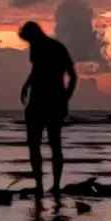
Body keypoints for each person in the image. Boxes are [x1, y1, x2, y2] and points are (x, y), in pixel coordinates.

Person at [18, 20, 77, 193]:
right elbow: (36, 70)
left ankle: (56, 185)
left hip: (53, 102)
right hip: (36, 101)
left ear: (34, 34)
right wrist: (26, 85)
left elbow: (73, 76)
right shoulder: (35, 47)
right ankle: (39, 185)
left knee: (54, 143)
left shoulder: (58, 48)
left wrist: (65, 98)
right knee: (33, 144)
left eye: (29, 39)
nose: (29, 44)